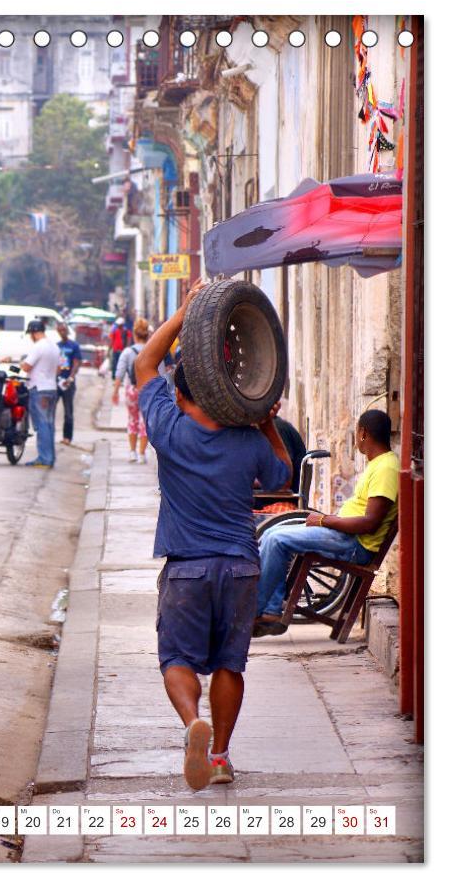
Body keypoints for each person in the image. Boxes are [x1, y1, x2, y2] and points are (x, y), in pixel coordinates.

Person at [136, 278, 291, 790]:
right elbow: (281, 478)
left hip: (186, 567)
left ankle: (190, 725)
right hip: (242, 566)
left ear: (180, 393)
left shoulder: (169, 429)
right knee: (230, 663)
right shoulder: (248, 441)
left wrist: (183, 315)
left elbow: (143, 365)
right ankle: (220, 755)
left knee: (177, 658)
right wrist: (267, 423)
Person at [254, 409, 399, 634]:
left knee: (277, 540)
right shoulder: (379, 464)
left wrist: (324, 520)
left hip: (354, 543)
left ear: (363, 433)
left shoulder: (386, 468)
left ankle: (255, 611)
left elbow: (369, 523)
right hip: (345, 535)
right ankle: (270, 609)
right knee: (272, 534)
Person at [112, 318, 155, 463]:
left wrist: (115, 391)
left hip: (131, 390)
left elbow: (119, 373)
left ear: (134, 334)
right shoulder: (154, 350)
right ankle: (142, 454)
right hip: (147, 390)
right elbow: (160, 373)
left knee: (132, 420)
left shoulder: (127, 352)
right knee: (145, 422)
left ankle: (132, 452)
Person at [20, 319, 60, 468]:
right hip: (52, 388)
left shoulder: (38, 347)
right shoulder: (54, 346)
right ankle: (50, 457)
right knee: (49, 424)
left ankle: (44, 458)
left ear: (34, 332)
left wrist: (21, 364)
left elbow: (26, 367)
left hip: (39, 389)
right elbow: (59, 368)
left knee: (42, 425)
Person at [55, 321, 82, 446]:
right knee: (52, 409)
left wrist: (70, 378)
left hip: (68, 382)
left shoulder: (73, 346)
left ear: (67, 331)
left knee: (68, 411)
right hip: (57, 381)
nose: (62, 332)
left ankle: (67, 437)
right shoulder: (56, 346)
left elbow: (76, 363)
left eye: (63, 330)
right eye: (59, 330)